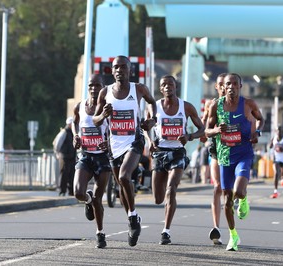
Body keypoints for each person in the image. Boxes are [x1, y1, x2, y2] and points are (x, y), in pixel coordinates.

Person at [92, 55, 157, 247]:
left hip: (134, 141)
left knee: (124, 176)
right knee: (122, 189)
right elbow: (95, 121)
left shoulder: (139, 89)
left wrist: (152, 120)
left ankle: (132, 217)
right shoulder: (105, 93)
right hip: (114, 144)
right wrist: (103, 114)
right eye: (116, 67)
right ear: (111, 71)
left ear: (130, 70)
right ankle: (133, 217)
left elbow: (153, 102)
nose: (119, 70)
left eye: (123, 67)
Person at [205, 73, 265, 251]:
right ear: (222, 86)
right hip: (224, 157)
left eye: (234, 84)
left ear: (240, 86)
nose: (230, 87)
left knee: (238, 191)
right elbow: (206, 131)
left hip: (243, 154)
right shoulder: (216, 106)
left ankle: (244, 198)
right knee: (227, 200)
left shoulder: (248, 104)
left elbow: (261, 119)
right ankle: (233, 236)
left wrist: (257, 133)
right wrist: (216, 130)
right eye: (227, 84)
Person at [144, 75, 205, 245]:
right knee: (158, 198)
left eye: (170, 84)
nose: (167, 87)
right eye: (164, 85)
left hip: (178, 152)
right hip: (159, 153)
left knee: (171, 189)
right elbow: (145, 127)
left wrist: (190, 136)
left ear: (175, 86)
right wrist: (150, 141)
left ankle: (166, 231)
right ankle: (162, 202)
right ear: (160, 89)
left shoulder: (186, 107)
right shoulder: (154, 106)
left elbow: (202, 129)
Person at [71, 74, 112, 249]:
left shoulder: (108, 107)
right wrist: (76, 136)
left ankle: (100, 233)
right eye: (91, 85)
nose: (94, 88)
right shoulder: (80, 106)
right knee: (78, 192)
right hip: (86, 156)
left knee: (98, 198)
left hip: (102, 157)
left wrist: (108, 142)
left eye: (98, 85)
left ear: (103, 88)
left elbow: (115, 129)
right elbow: (75, 122)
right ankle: (86, 201)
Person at [200, 73, 226, 245]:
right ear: (216, 87)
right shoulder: (212, 104)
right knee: (217, 186)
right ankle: (216, 227)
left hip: (235, 150)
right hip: (216, 148)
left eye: (227, 84)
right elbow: (203, 129)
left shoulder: (240, 104)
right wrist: (208, 131)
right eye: (221, 84)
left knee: (229, 190)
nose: (225, 87)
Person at [54, 117, 76, 196]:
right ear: (70, 124)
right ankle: (62, 190)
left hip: (71, 156)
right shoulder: (64, 132)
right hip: (64, 156)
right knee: (64, 174)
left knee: (72, 174)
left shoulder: (73, 132)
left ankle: (71, 191)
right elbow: (57, 143)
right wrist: (57, 153)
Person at [269, 125, 283, 198]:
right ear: (276, 131)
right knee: (276, 173)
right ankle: (275, 191)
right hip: (276, 159)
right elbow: (270, 146)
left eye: (280, 130)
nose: (279, 132)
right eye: (277, 130)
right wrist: (271, 144)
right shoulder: (274, 138)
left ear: (282, 131)